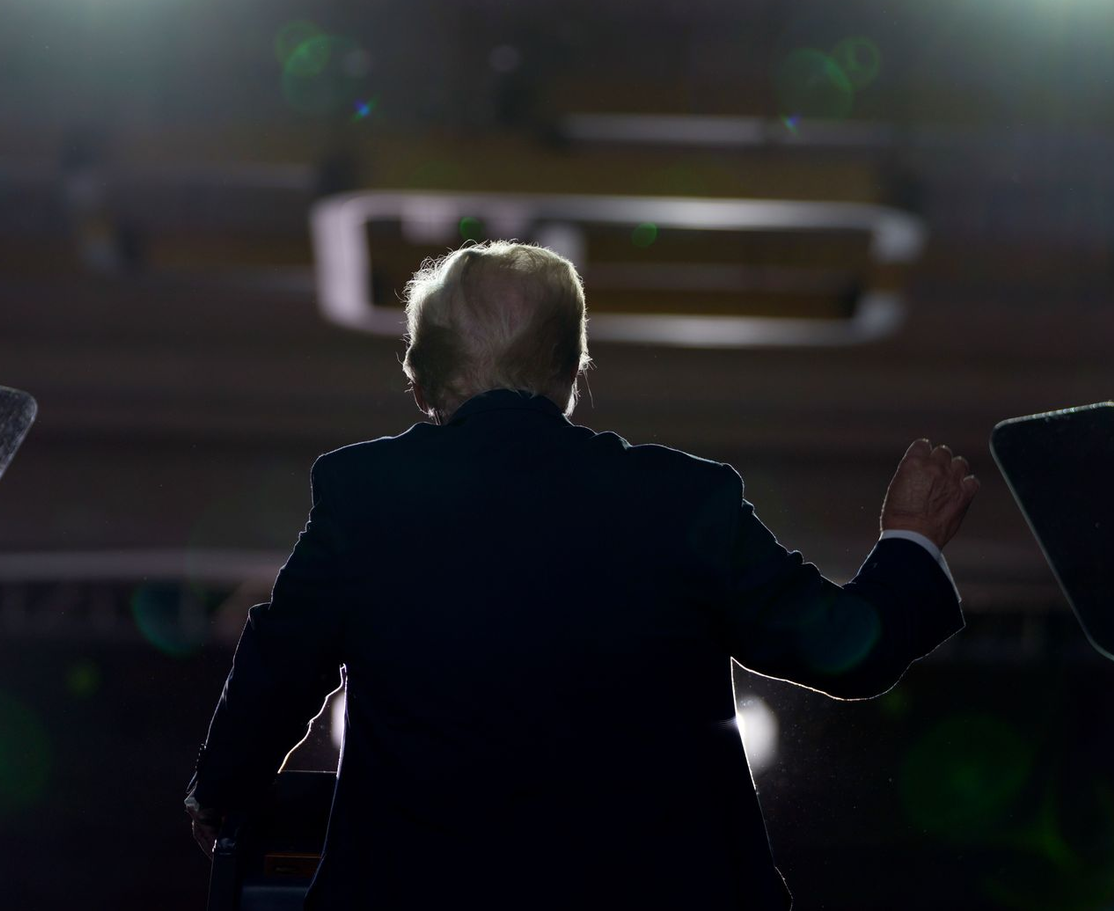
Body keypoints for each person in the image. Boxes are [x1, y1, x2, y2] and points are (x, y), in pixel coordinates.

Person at [186, 240, 978, 909]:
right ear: (570, 374)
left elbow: (278, 667)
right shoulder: (684, 501)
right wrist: (909, 540)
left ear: (421, 380)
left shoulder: (364, 496)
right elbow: (847, 647)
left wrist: (221, 795)